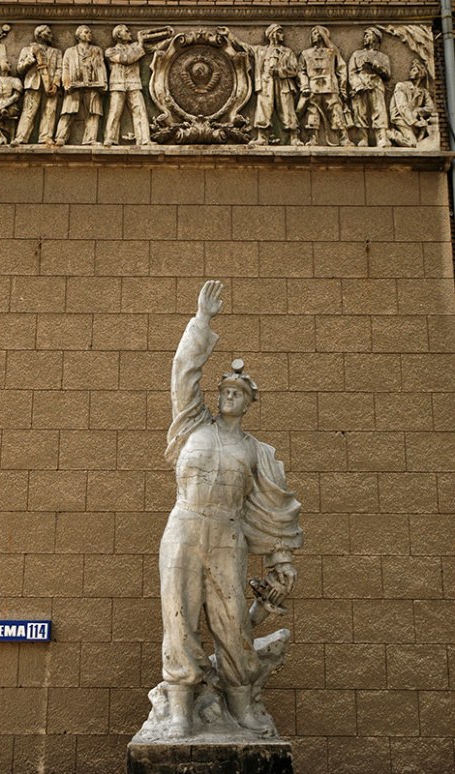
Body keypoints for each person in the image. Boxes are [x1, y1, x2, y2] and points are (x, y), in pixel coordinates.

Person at [160, 280, 302, 738]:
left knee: (233, 620)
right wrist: (202, 322)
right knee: (178, 615)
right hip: (184, 526)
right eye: (224, 389)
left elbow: (274, 509)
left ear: (249, 402)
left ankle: (241, 702)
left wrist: (281, 562)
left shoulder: (256, 452)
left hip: (227, 534)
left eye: (239, 392)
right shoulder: (191, 424)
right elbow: (184, 369)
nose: (228, 395)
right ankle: (180, 705)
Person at [298, 25, 353, 146]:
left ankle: (343, 137)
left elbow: (341, 69)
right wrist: (304, 86)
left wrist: (342, 88)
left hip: (330, 87)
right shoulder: (306, 54)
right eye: (313, 33)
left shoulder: (332, 52)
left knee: (336, 111)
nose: (315, 36)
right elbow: (301, 71)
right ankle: (313, 138)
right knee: (312, 112)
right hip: (313, 87)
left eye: (318, 33)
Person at [55, 25, 107, 146]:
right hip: (74, 85)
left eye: (90, 32)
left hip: (93, 85)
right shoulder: (70, 51)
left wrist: (104, 82)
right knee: (69, 111)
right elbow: (65, 68)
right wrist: (66, 83)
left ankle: (90, 139)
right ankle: (61, 137)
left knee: (94, 113)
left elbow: (101, 66)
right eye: (86, 32)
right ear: (79, 35)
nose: (89, 34)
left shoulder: (96, 50)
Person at [12, 24, 62, 145]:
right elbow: (20, 69)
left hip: (50, 85)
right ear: (39, 35)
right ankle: (21, 137)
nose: (51, 35)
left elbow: (59, 69)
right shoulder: (27, 50)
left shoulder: (56, 52)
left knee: (50, 111)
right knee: (28, 111)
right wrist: (31, 60)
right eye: (48, 33)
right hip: (33, 83)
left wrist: (55, 84)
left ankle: (45, 137)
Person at [103, 24, 150, 146]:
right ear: (119, 35)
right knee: (115, 112)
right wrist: (140, 43)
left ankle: (144, 139)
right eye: (127, 31)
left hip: (134, 84)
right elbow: (127, 59)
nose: (130, 33)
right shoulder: (110, 51)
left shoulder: (134, 47)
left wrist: (166, 38)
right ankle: (110, 138)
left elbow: (151, 48)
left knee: (140, 111)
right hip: (118, 85)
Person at [348, 27, 391, 147]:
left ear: (376, 38)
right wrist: (357, 85)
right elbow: (351, 72)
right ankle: (363, 138)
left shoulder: (382, 56)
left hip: (376, 84)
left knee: (379, 111)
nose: (365, 38)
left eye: (368, 35)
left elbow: (387, 74)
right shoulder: (357, 54)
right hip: (360, 85)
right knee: (360, 112)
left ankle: (381, 138)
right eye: (365, 35)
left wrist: (375, 64)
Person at [388, 58, 437, 148]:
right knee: (412, 143)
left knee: (421, 143)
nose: (410, 72)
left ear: (420, 74)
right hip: (401, 119)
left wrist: (418, 110)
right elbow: (402, 107)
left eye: (414, 70)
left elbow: (431, 108)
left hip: (415, 120)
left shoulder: (423, 92)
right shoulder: (401, 86)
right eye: (411, 69)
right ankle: (390, 134)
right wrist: (415, 122)